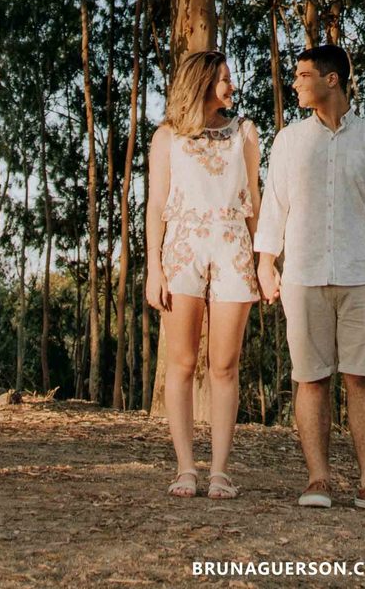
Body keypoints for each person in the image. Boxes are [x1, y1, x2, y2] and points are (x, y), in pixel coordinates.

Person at [255, 43, 365, 514]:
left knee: (362, 377)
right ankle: (317, 479)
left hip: (362, 276)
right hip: (302, 276)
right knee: (310, 379)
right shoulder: (288, 142)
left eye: (303, 75)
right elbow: (273, 206)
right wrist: (266, 263)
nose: (295, 82)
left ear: (332, 80)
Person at [146, 50, 260, 499]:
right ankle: (185, 469)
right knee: (182, 362)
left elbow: (254, 198)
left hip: (233, 248)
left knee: (225, 365)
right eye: (224, 80)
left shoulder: (245, 133)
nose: (232, 86)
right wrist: (154, 267)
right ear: (202, 83)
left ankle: (219, 471)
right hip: (182, 249)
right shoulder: (166, 138)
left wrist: (266, 261)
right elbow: (156, 205)